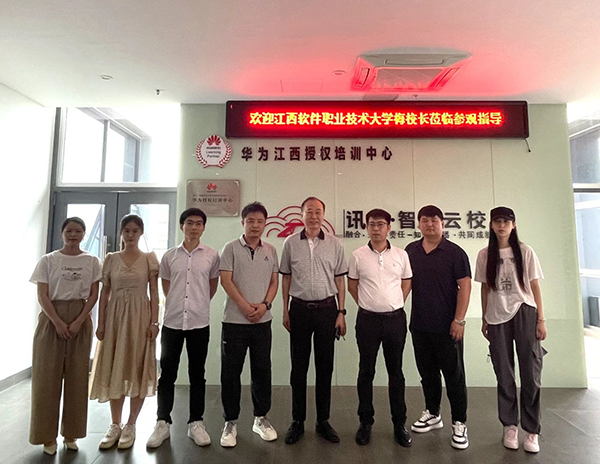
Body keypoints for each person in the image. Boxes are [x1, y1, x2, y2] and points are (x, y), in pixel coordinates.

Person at [146, 208, 219, 449]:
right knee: (167, 373)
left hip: (199, 322)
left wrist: (197, 304)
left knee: (197, 374)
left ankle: (196, 422)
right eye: (189, 223)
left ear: (204, 227)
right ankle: (162, 422)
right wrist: (180, 303)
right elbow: (167, 286)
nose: (194, 227)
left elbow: (212, 286)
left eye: (199, 223)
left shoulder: (212, 256)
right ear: (181, 226)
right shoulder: (169, 256)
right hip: (173, 322)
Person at [475, 206, 546, 453]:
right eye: (497, 221)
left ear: (513, 225)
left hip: (524, 312)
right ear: (491, 225)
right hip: (497, 316)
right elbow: (485, 288)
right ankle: (510, 426)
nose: (502, 225)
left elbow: (535, 287)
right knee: (504, 373)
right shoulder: (485, 254)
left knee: (530, 372)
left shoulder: (525, 251)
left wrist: (541, 319)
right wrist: (484, 317)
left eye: (506, 221)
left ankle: (532, 430)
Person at [29, 217, 102, 455]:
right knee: (46, 378)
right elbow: (42, 295)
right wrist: (58, 322)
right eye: (69, 230)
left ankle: (71, 434)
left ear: (83, 234)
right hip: (52, 317)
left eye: (78, 231)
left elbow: (94, 294)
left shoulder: (92, 261)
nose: (73, 235)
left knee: (77, 377)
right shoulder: (48, 260)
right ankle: (46, 437)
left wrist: (79, 321)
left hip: (80, 315)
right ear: (62, 233)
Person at [280, 196, 348, 444]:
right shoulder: (290, 243)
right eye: (309, 211)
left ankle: (323, 421)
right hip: (298, 309)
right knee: (298, 368)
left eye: (318, 211)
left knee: (324, 366)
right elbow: (286, 278)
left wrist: (341, 312)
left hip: (327, 310)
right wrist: (285, 310)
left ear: (323, 215)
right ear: (301, 215)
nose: (314, 216)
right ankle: (297, 421)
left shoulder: (334, 244)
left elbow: (340, 279)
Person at [89, 214, 159, 450]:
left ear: (141, 233)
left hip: (140, 317)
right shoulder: (111, 259)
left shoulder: (149, 259)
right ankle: (115, 424)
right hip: (115, 318)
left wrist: (154, 322)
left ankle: (131, 424)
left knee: (137, 366)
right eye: (126, 230)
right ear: (121, 232)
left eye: (134, 231)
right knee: (115, 366)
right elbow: (104, 294)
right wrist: (101, 323)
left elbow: (154, 293)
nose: (130, 235)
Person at [405, 205, 471, 450]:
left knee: (454, 376)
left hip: (448, 326)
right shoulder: (411, 250)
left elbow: (465, 286)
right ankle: (433, 413)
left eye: (434, 220)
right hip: (420, 325)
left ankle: (459, 423)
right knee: (428, 374)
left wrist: (459, 320)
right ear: (419, 224)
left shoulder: (455, 252)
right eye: (424, 220)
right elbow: (404, 283)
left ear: (442, 224)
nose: (429, 224)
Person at [348, 209, 413, 447]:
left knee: (396, 372)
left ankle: (399, 423)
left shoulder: (401, 255)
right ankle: (365, 422)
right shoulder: (357, 256)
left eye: (381, 224)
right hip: (367, 321)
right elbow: (352, 285)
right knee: (366, 371)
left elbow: (406, 282)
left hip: (395, 320)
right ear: (366, 227)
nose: (376, 229)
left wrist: (395, 303)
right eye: (372, 224)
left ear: (388, 227)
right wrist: (368, 304)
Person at [218, 202, 279, 447]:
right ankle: (230, 422)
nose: (255, 225)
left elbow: (274, 282)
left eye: (260, 221)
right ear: (242, 222)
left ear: (265, 224)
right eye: (250, 221)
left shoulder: (271, 250)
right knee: (231, 372)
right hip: (234, 321)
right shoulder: (230, 248)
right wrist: (244, 307)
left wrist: (265, 305)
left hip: (262, 321)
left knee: (262, 370)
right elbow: (226, 280)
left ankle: (260, 418)